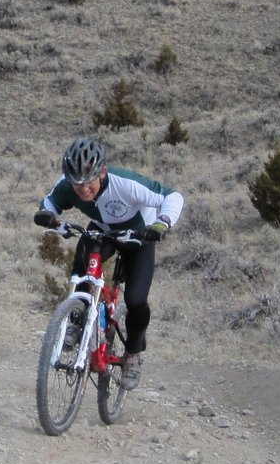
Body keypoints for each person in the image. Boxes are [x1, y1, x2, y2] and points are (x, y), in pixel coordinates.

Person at [33, 136, 184, 390]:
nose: (82, 189)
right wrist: (49, 215)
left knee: (136, 300)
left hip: (139, 236)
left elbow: (172, 196)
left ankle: (133, 355)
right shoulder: (68, 184)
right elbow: (50, 202)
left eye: (87, 181)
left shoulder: (125, 183)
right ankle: (77, 321)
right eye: (76, 182)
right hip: (103, 232)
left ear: (102, 172)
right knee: (83, 268)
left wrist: (161, 223)